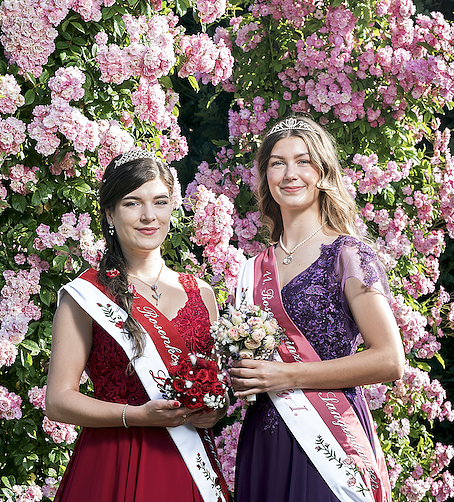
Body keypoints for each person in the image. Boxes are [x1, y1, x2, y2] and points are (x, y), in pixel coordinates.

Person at [230, 115, 405, 502]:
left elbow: (390, 359)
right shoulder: (252, 269)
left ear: (323, 172)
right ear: (266, 177)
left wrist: (287, 376)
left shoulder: (348, 255)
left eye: (303, 161)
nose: (290, 173)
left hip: (330, 441)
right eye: (277, 162)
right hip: (265, 440)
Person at [45, 149, 230, 502]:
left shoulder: (201, 293)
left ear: (172, 209)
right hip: (112, 461)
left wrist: (213, 412)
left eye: (160, 202)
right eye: (132, 203)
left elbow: (217, 391)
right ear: (110, 213)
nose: (149, 216)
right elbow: (58, 401)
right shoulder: (85, 295)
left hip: (190, 465)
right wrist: (136, 416)